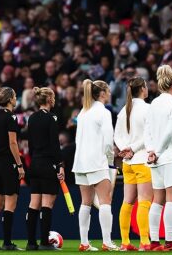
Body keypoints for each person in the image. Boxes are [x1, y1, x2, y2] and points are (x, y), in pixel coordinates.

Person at [72, 79, 117, 252]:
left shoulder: (83, 112)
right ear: (103, 93)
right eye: (108, 90)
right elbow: (108, 141)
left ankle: (84, 242)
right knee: (105, 201)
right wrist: (111, 161)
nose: (111, 93)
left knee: (85, 202)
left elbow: (78, 139)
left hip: (80, 162)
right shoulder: (103, 112)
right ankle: (107, 242)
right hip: (97, 161)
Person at [145, 65, 172, 251]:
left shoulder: (153, 103)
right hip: (170, 157)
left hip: (155, 159)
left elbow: (147, 130)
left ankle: (154, 242)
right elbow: (170, 131)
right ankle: (169, 241)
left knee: (157, 200)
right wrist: (158, 152)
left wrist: (150, 151)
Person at [114, 77, 152, 251]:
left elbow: (117, 136)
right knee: (144, 202)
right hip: (141, 160)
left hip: (127, 162)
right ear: (143, 89)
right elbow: (149, 136)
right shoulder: (148, 109)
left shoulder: (124, 110)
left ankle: (125, 242)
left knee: (127, 202)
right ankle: (145, 242)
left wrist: (125, 149)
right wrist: (133, 148)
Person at [24, 86, 64, 251]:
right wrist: (60, 165)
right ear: (48, 100)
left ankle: (31, 243)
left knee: (34, 203)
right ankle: (45, 242)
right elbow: (55, 144)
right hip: (48, 164)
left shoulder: (32, 118)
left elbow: (30, 144)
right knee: (47, 203)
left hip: (35, 163)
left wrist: (34, 160)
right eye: (53, 97)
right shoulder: (52, 117)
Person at [0, 87, 22, 250]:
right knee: (10, 203)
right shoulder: (11, 117)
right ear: (10, 99)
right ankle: (7, 242)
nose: (16, 99)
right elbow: (13, 143)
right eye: (14, 96)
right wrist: (20, 164)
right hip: (9, 163)